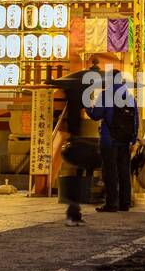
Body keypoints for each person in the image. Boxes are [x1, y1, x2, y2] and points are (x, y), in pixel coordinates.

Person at [87, 53, 140, 212]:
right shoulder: (130, 97)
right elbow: (135, 120)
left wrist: (88, 106)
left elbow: (96, 115)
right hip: (124, 140)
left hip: (109, 140)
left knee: (110, 172)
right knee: (124, 172)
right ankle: (125, 203)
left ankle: (111, 204)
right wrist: (133, 139)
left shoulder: (106, 95)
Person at [50, 66, 101, 226]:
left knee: (78, 175)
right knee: (77, 176)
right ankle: (73, 212)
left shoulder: (72, 93)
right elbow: (89, 113)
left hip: (74, 140)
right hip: (75, 142)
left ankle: (75, 211)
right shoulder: (79, 95)